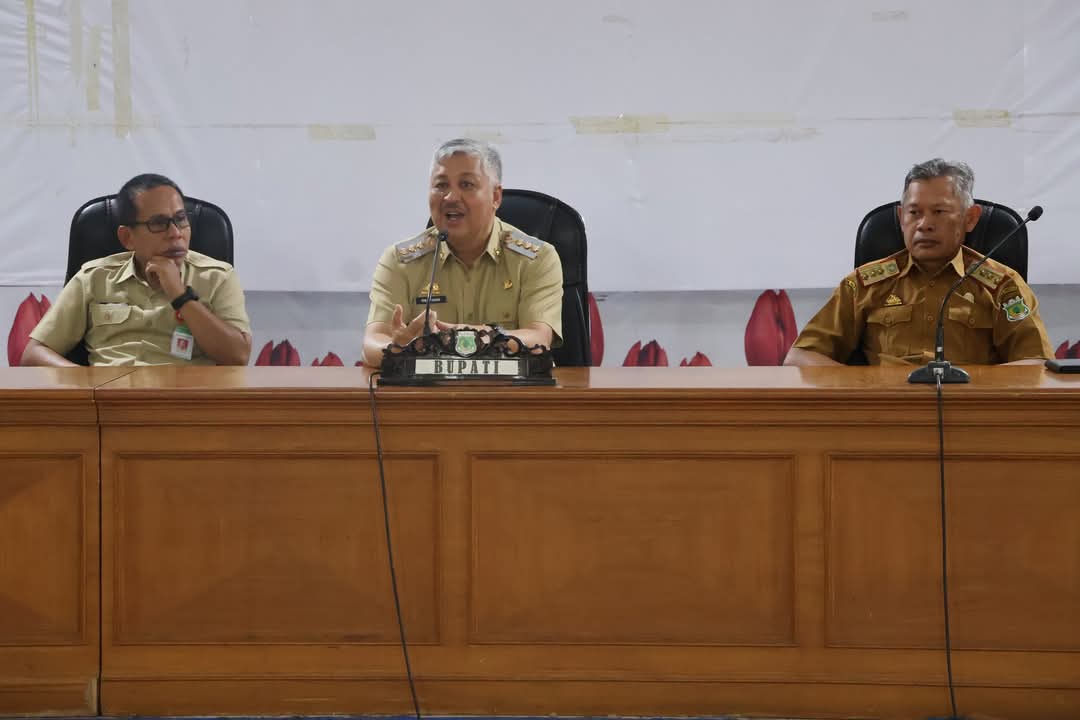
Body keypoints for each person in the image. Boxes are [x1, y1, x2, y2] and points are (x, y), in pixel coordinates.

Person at [784, 158, 1053, 366]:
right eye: (914, 212)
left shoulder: (1002, 287)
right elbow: (801, 357)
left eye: (939, 212)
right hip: (885, 419)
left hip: (971, 420)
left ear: (970, 218)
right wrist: (864, 389)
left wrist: (971, 386)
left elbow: (1035, 363)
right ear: (901, 218)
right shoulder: (863, 285)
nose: (924, 225)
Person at [362, 138, 562, 367]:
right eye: (441, 185)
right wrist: (401, 350)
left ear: (496, 197)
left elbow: (539, 339)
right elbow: (372, 344)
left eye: (466, 184)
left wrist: (464, 337)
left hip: (509, 396)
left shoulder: (536, 259)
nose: (450, 198)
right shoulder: (400, 261)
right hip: (429, 398)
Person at [21, 173, 251, 366]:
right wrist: (84, 382)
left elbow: (238, 357)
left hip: (185, 407)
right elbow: (34, 354)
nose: (175, 233)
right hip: (108, 407)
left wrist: (180, 295)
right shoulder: (94, 278)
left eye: (180, 219)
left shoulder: (217, 277)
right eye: (159, 223)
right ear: (127, 237)